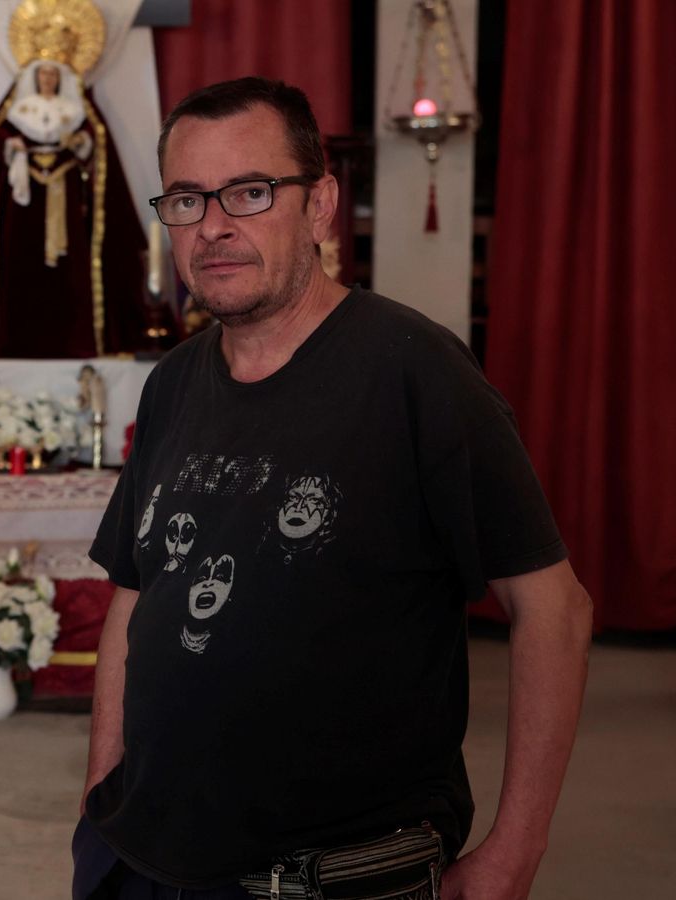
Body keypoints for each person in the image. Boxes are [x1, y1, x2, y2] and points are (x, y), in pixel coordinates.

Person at [78, 78, 591, 900]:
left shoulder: (414, 371)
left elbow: (555, 610)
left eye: (248, 192)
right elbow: (135, 595)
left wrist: (513, 854)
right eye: (184, 199)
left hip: (334, 879)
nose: (213, 226)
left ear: (319, 206)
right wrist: (103, 796)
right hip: (143, 863)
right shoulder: (173, 383)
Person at [0, 51, 149, 358]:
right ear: (34, 78)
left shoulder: (72, 109)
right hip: (25, 201)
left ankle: (78, 338)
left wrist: (79, 144)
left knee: (72, 265)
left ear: (60, 79)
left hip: (66, 193)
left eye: (53, 75)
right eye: (43, 74)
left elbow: (92, 142)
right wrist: (13, 147)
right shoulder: (20, 109)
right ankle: (14, 336)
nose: (48, 79)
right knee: (19, 259)